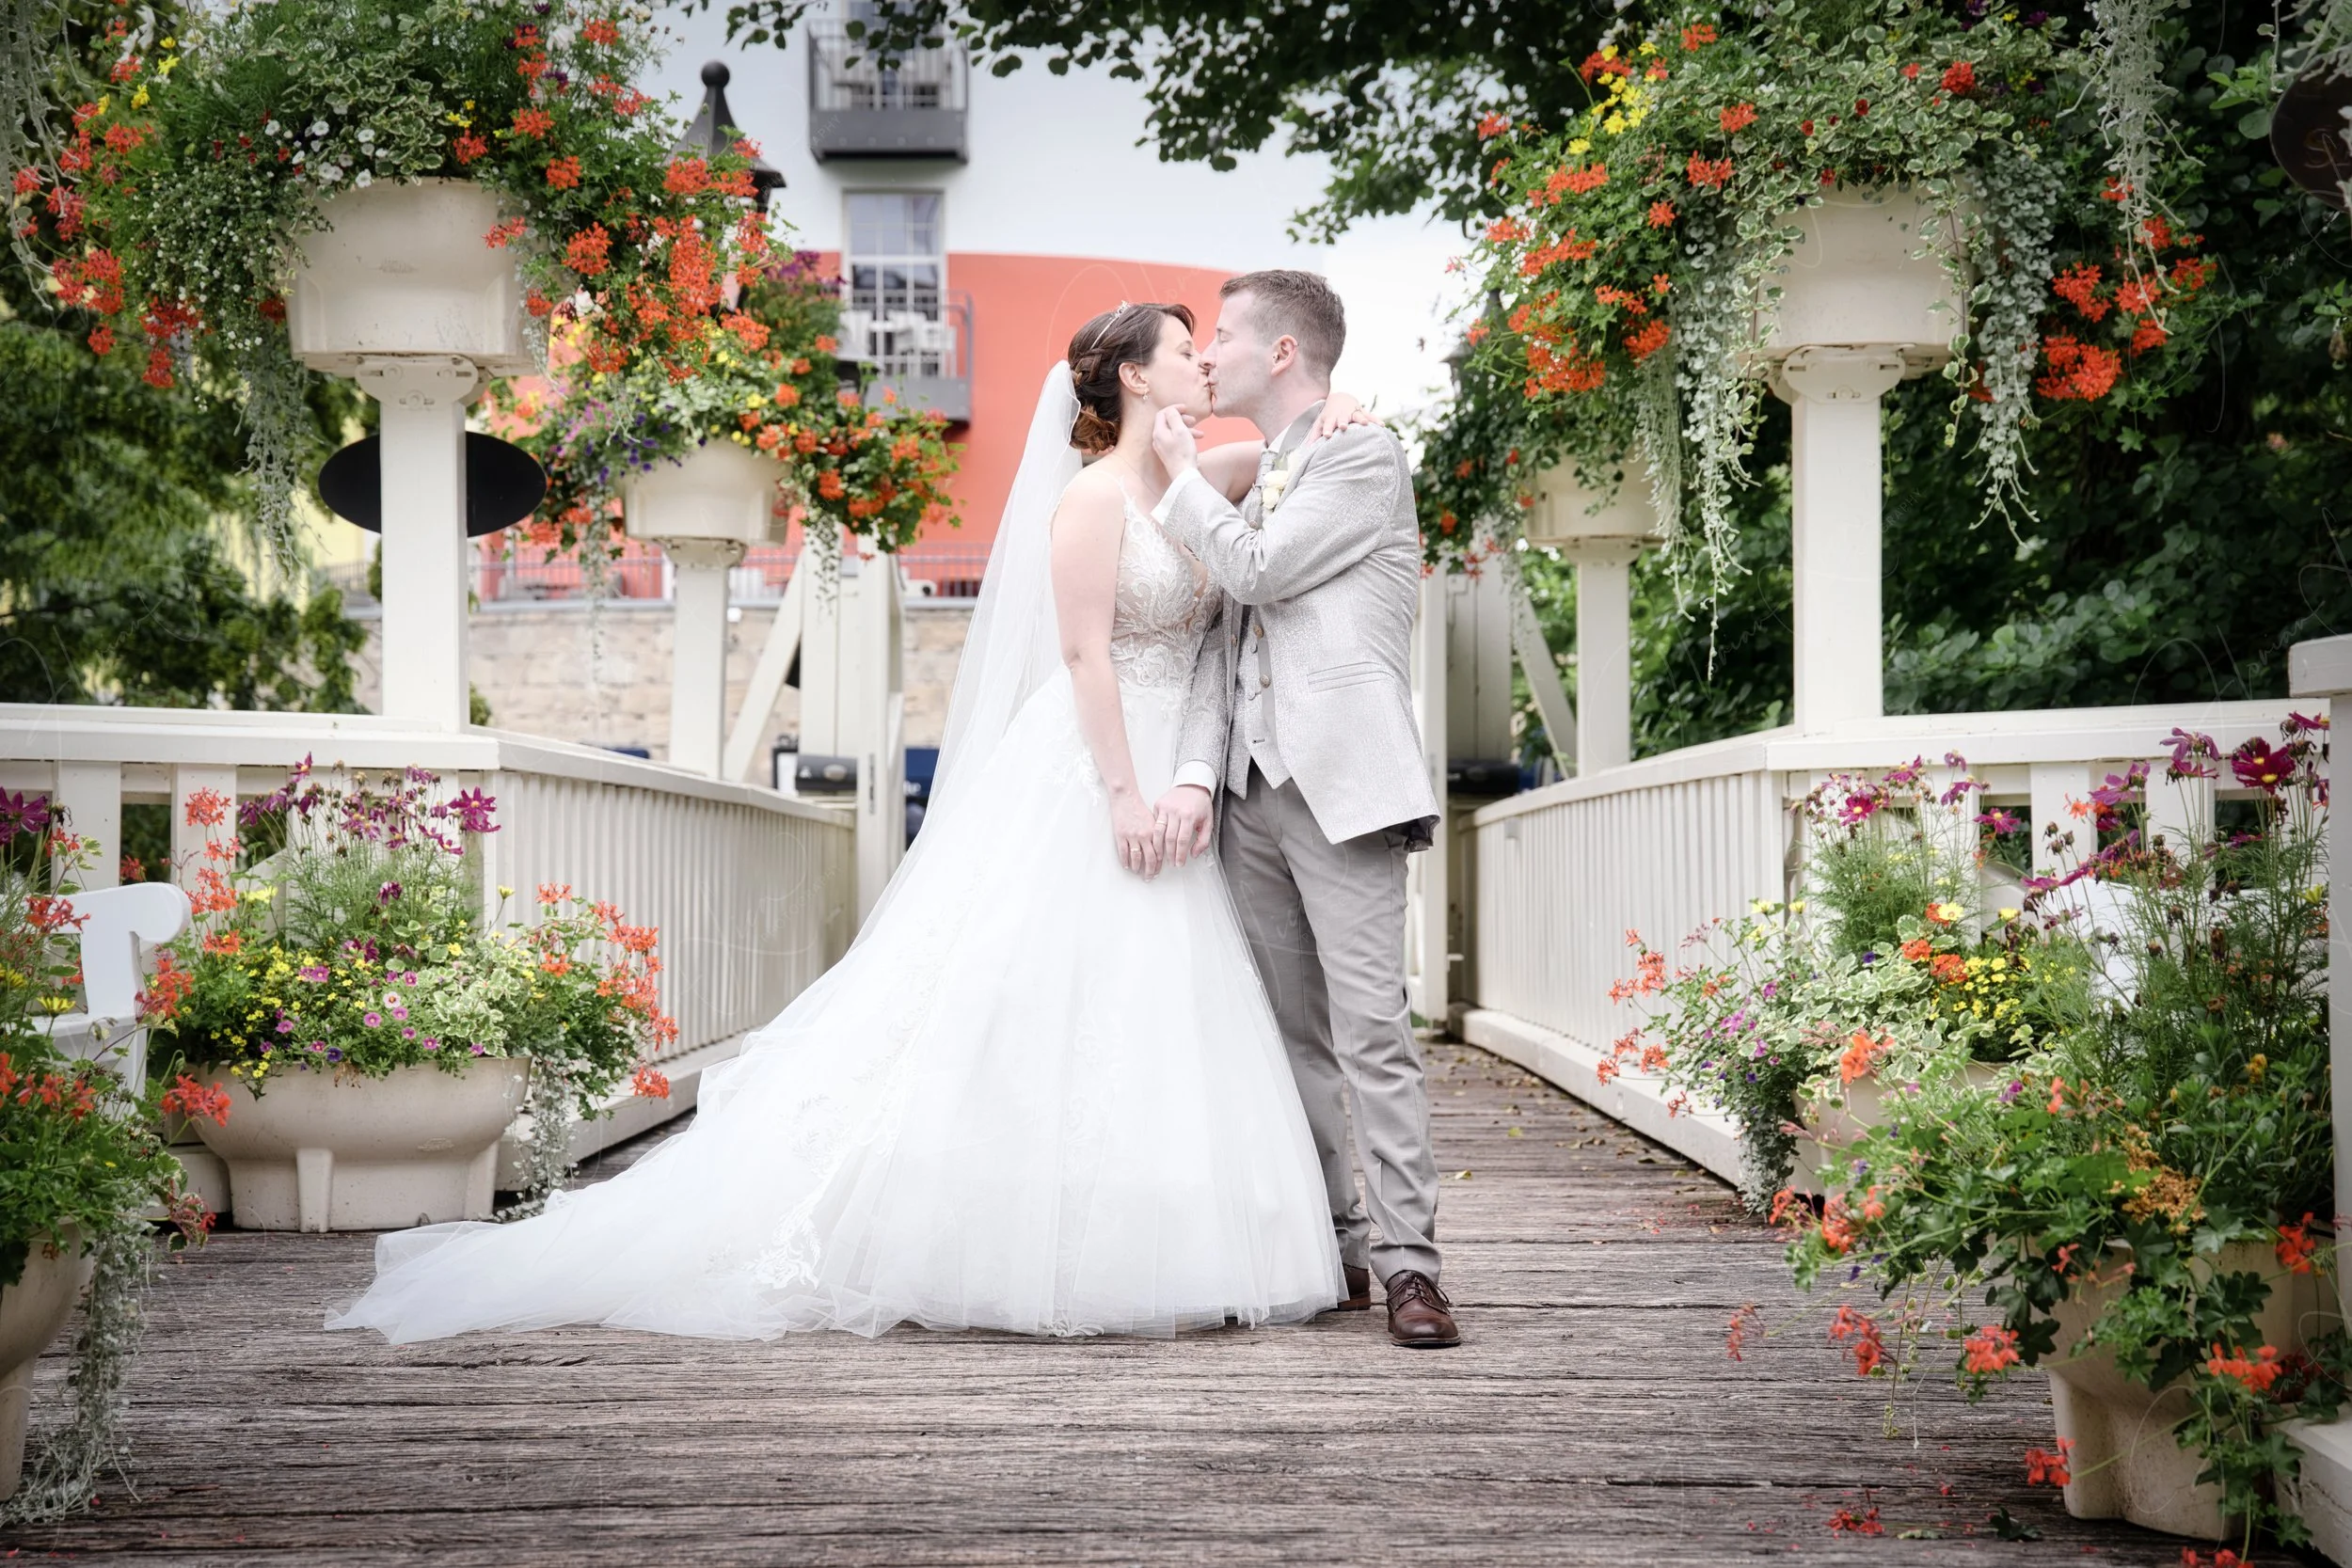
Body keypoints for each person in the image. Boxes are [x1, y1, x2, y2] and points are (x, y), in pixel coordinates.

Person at [326, 303, 1374, 1343]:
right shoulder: (1091, 501)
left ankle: (1155, 1220)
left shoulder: (1205, 474)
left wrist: (1347, 409)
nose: (1203, 366)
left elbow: (1280, 472)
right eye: (1186, 353)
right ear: (1136, 378)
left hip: (1177, 770)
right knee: (1022, 991)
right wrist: (1125, 794)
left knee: (1154, 1002)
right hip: (1094, 765)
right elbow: (1086, 656)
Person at [1147, 271, 1458, 1350]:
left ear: (1283, 352)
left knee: (1372, 1031)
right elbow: (1218, 642)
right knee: (1286, 1038)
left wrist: (1185, 475)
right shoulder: (1262, 465)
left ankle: (1413, 1265)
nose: (1209, 350)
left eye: (1225, 334)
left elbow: (1262, 572)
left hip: (1345, 787)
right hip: (1249, 795)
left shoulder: (1361, 456)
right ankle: (1334, 1247)